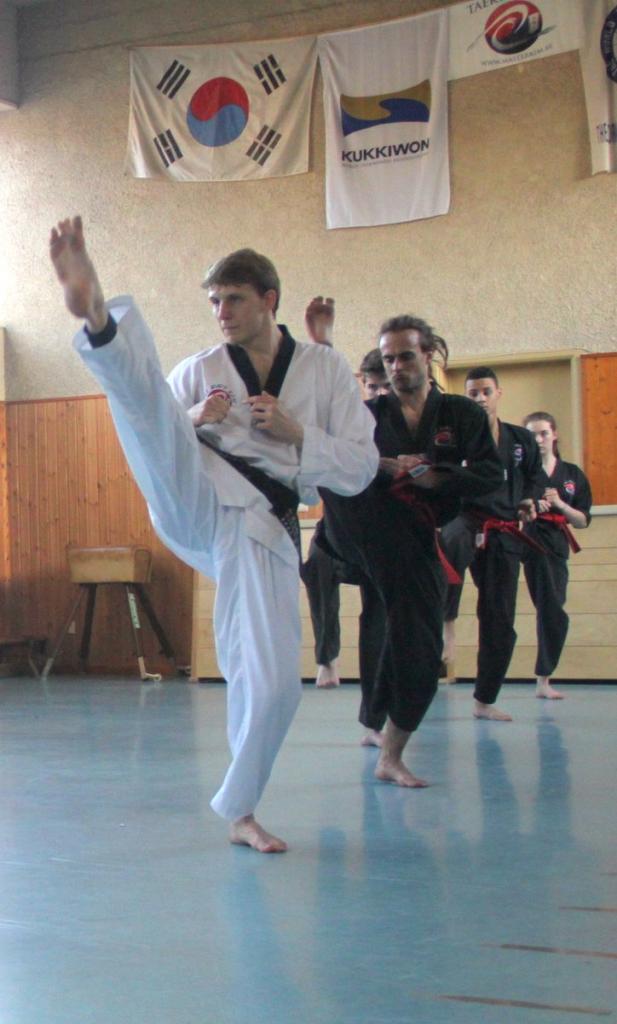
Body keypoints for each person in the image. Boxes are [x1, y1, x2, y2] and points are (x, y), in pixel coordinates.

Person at [49, 217, 378, 853]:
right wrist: (193, 416)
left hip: (264, 526)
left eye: (233, 299)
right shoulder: (200, 368)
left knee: (272, 685)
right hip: (196, 495)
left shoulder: (326, 370)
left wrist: (299, 435)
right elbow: (156, 428)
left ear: (269, 299)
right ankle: (100, 322)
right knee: (155, 414)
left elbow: (361, 467)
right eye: (214, 301)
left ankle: (241, 810)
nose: (221, 312)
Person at [319, 318, 503, 786]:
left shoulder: (461, 414)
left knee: (418, 645)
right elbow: (333, 457)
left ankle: (389, 750)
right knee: (391, 623)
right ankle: (375, 730)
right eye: (388, 359)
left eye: (405, 356)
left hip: (418, 537)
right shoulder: (368, 416)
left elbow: (489, 476)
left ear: (428, 355)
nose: (396, 366)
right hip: (368, 528)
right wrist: (386, 465)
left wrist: (438, 475)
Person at [440, 367, 543, 721]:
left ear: (498, 393)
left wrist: (528, 500)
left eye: (486, 391)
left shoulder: (520, 440)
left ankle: (484, 700)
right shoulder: (455, 440)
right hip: (465, 519)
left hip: (503, 528)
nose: (480, 399)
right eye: (473, 393)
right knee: (450, 544)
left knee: (499, 617)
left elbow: (534, 477)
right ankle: (446, 625)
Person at [301, 345, 390, 689]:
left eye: (386, 387)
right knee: (316, 564)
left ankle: (378, 681)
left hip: (382, 531)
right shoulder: (348, 419)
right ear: (362, 385)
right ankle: (327, 658)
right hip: (337, 527)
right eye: (373, 387)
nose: (379, 394)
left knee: (377, 604)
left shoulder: (400, 423)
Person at [522, 412, 592, 699]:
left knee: (553, 609)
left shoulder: (572, 474)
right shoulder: (523, 473)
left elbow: (583, 520)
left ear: (555, 435)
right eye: (532, 435)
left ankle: (544, 679)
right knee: (546, 608)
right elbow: (508, 506)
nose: (538, 440)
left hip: (557, 545)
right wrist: (530, 506)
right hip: (528, 541)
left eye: (543, 433)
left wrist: (560, 504)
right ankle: (541, 680)